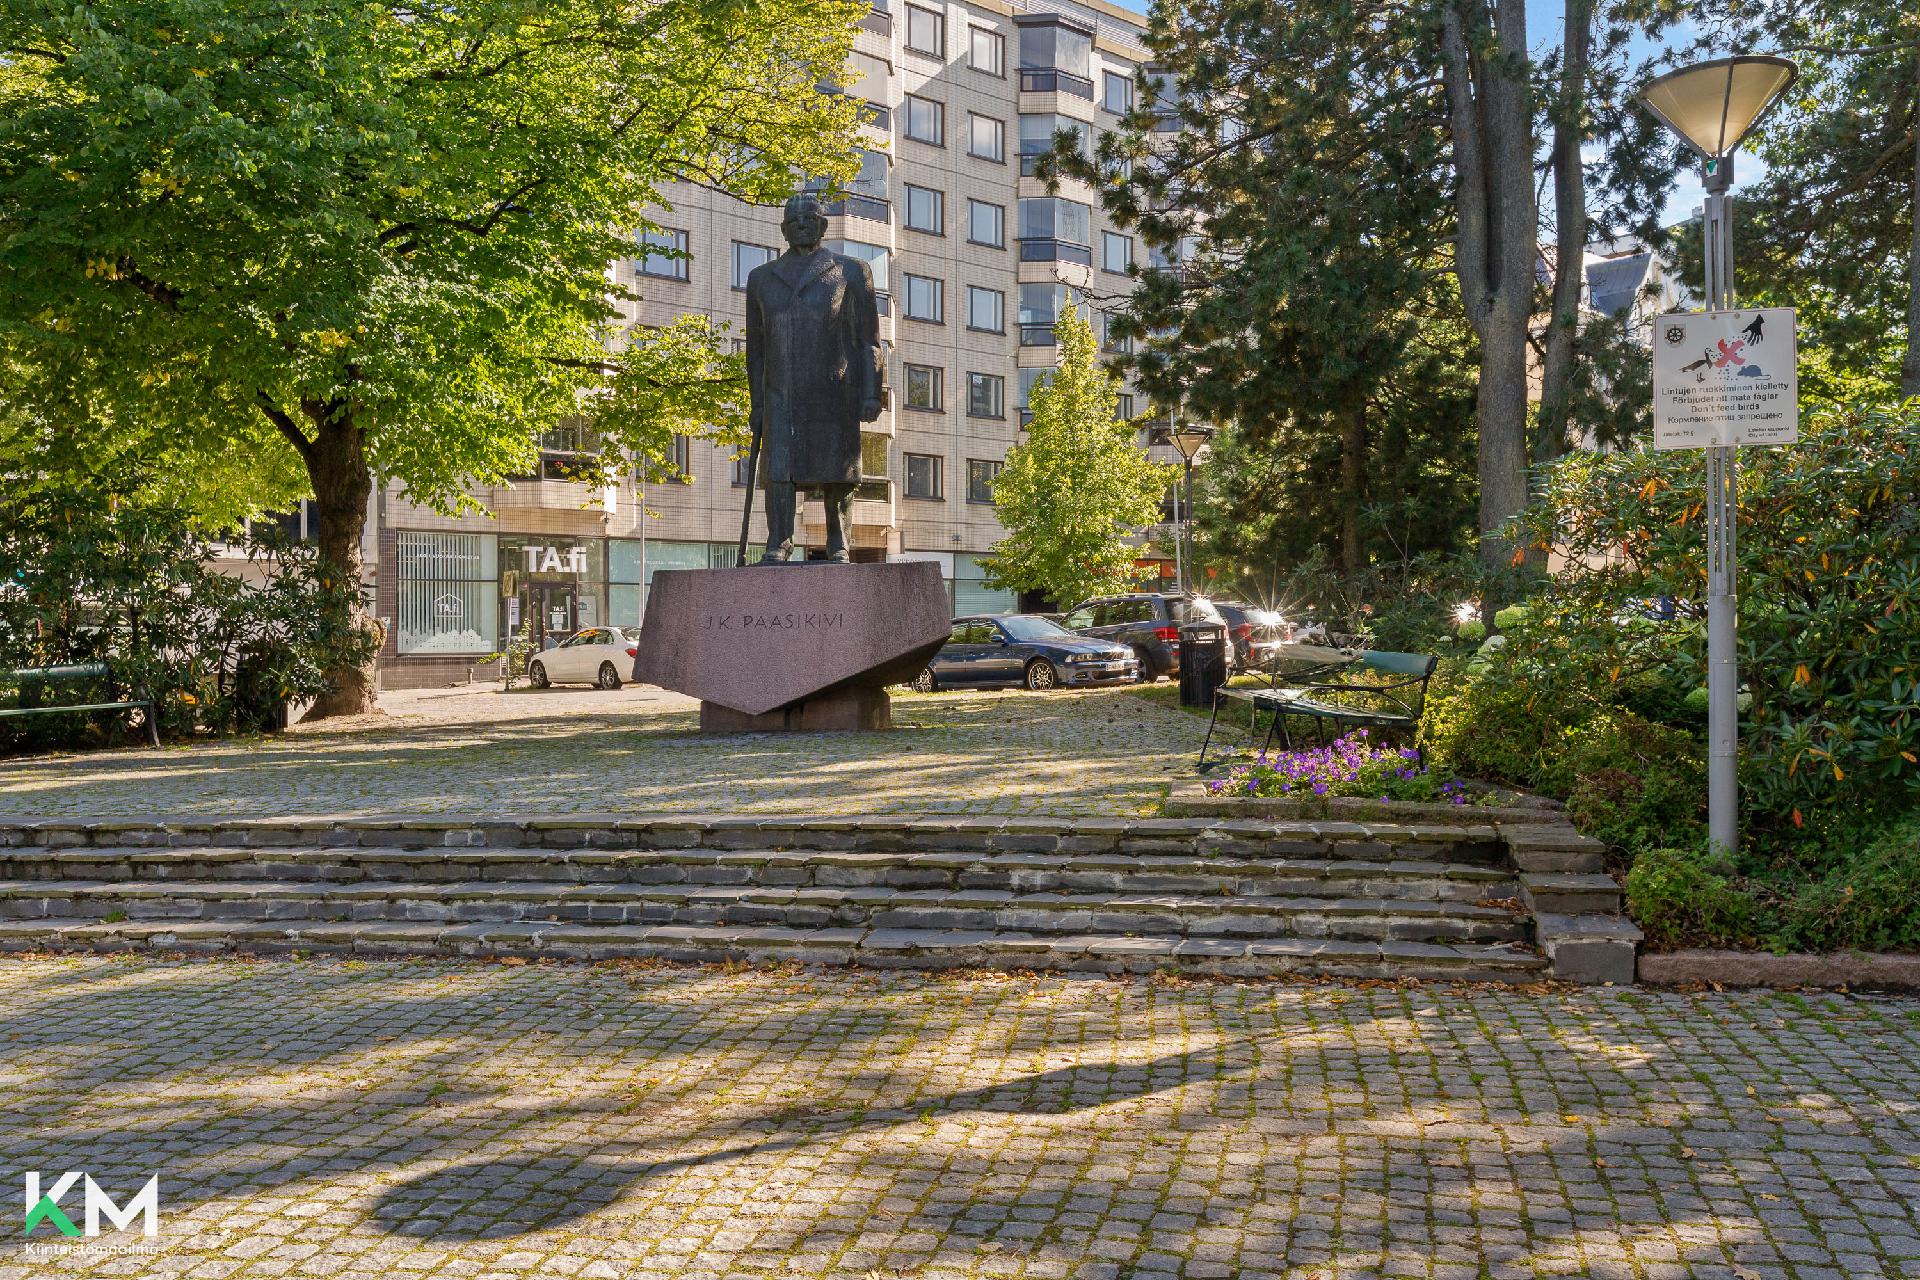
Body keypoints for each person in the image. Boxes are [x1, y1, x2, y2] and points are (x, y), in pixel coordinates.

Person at [742, 193, 885, 563]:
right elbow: (755, 349)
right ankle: (779, 540)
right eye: (794, 221)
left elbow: (868, 339)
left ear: (823, 225)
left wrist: (872, 393)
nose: (802, 225)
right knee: (779, 469)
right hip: (781, 393)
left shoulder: (850, 271)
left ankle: (839, 541)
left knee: (837, 469)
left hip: (834, 389)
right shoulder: (761, 279)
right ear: (784, 229)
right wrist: (757, 403)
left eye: (810, 219)